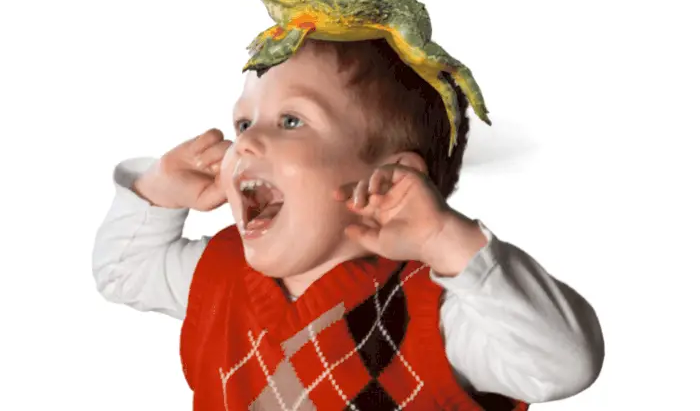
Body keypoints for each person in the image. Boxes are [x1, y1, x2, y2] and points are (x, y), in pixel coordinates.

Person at [93, 38, 604, 410]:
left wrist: (446, 239)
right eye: (244, 122)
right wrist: (158, 190)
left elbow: (563, 365)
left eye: (291, 121)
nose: (244, 144)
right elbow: (122, 271)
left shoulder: (437, 314)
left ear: (391, 178)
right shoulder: (219, 273)